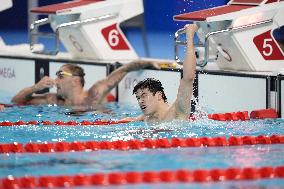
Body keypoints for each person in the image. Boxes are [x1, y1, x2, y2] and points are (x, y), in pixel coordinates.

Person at [11, 61, 160, 107]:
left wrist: (148, 63)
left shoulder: (94, 94)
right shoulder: (53, 100)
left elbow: (125, 68)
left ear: (76, 80)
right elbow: (16, 101)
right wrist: (36, 88)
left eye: (61, 75)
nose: (56, 80)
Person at [132, 24, 198, 125]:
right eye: (138, 98)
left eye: (144, 96)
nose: (140, 101)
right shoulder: (147, 118)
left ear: (159, 95)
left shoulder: (177, 112)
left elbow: (188, 77)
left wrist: (189, 37)